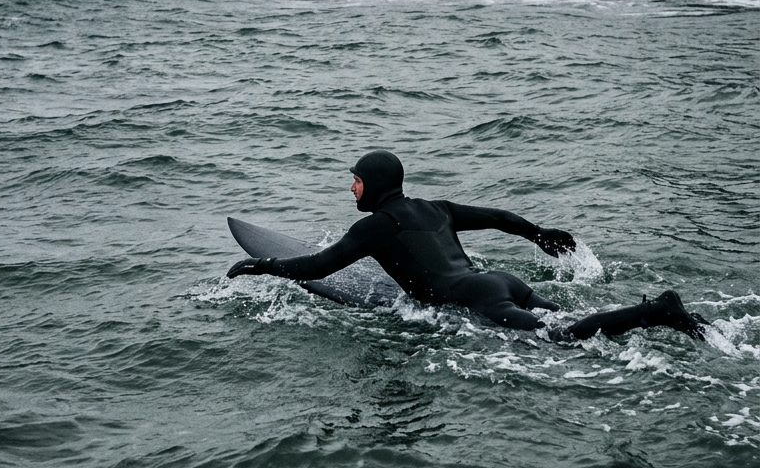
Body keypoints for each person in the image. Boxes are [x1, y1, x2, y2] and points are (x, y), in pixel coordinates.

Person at [227, 149, 707, 341]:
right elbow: (498, 218)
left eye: (354, 182)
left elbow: (318, 267)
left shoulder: (375, 228)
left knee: (561, 339)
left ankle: (658, 311)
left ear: (372, 184)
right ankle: (656, 315)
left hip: (475, 298)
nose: (351, 190)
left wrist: (265, 265)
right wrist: (539, 234)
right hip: (501, 283)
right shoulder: (436, 207)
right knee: (565, 322)